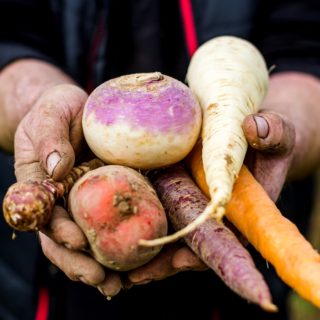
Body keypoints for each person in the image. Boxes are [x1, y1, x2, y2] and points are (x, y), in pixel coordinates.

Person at [0, 0, 320, 319]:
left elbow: (305, 54)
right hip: (38, 293)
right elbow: (10, 39)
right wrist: (38, 105)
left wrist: (284, 125)